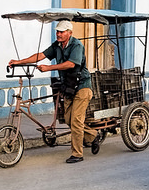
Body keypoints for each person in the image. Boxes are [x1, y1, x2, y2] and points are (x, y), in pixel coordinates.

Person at [9, 20, 98, 164]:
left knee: (75, 121)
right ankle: (93, 136)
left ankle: (77, 154)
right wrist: (19, 62)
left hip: (82, 86)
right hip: (69, 86)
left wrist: (49, 68)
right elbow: (40, 55)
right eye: (57, 31)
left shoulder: (77, 45)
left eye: (62, 32)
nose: (58, 34)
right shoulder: (57, 46)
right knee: (68, 119)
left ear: (69, 32)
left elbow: (71, 64)